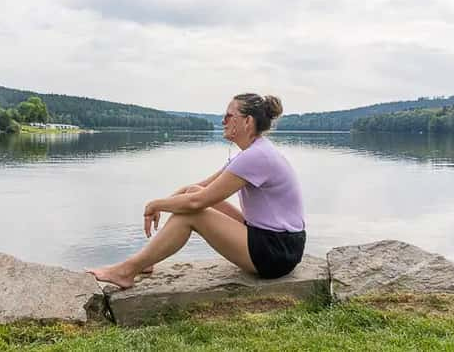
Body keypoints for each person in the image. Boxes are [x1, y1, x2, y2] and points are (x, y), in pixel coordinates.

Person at [87, 93, 306, 288]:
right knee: (192, 192)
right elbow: (198, 190)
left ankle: (125, 272)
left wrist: (154, 205)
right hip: (273, 241)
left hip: (277, 252)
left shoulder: (256, 157)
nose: (223, 121)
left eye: (229, 116)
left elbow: (196, 203)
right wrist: (168, 201)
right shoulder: (254, 152)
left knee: (194, 214)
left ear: (247, 121)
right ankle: (148, 260)